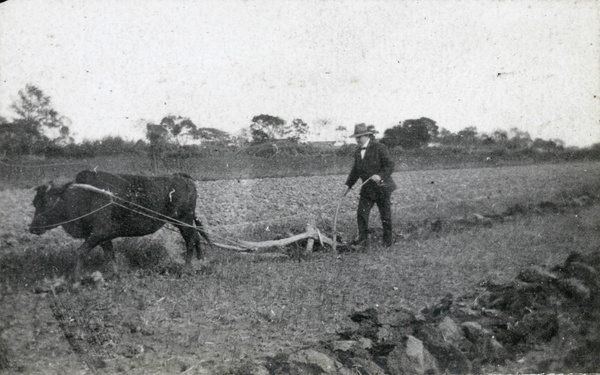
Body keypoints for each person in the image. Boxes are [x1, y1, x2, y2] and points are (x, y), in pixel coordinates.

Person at [342, 123, 397, 247]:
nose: (357, 140)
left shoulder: (379, 147)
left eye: (359, 137)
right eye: (356, 138)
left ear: (367, 136)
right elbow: (355, 171)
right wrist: (347, 186)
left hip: (382, 188)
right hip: (367, 190)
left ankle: (387, 243)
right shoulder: (357, 152)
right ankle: (363, 242)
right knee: (361, 215)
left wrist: (380, 176)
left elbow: (390, 165)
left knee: (385, 216)